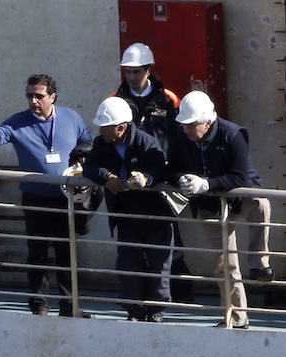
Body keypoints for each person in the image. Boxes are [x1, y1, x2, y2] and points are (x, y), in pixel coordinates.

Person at [0, 74, 98, 317]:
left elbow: (86, 140)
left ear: (53, 97)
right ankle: (39, 305)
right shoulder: (18, 122)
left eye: (39, 96)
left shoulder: (71, 117)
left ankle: (69, 306)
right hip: (35, 197)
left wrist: (83, 157)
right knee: (37, 253)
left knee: (67, 254)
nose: (33, 100)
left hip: (66, 198)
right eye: (29, 95)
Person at [170, 90, 262, 328]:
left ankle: (259, 262)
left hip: (239, 198)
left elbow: (239, 176)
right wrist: (182, 179)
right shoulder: (182, 137)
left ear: (207, 122)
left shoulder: (233, 135)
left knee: (262, 205)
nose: (187, 129)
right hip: (210, 207)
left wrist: (207, 184)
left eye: (191, 125)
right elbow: (172, 167)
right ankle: (236, 316)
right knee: (225, 265)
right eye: (185, 125)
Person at [83, 96, 173, 322]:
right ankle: (133, 310)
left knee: (158, 266)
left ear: (120, 128)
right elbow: (90, 167)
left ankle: (155, 313)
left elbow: (159, 168)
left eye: (105, 126)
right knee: (128, 264)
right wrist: (107, 177)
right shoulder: (101, 144)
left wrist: (146, 178)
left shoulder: (146, 142)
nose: (101, 130)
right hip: (126, 216)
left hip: (156, 216)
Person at [114, 42, 192, 301]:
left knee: (170, 241)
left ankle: (179, 295)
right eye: (128, 72)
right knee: (133, 243)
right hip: (130, 184)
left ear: (149, 70)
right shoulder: (115, 101)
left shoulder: (168, 99)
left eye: (137, 71)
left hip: (161, 182)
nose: (132, 77)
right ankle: (137, 299)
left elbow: (180, 136)